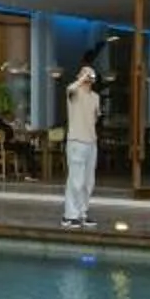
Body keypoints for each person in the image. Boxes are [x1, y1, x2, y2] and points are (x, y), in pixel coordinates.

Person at [61, 64, 100, 228]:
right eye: (85, 74)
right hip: (76, 141)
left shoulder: (95, 97)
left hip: (91, 141)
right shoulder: (74, 92)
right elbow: (69, 88)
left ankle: (83, 212)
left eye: (90, 74)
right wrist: (81, 79)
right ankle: (70, 215)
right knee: (76, 179)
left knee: (88, 181)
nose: (88, 77)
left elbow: (96, 116)